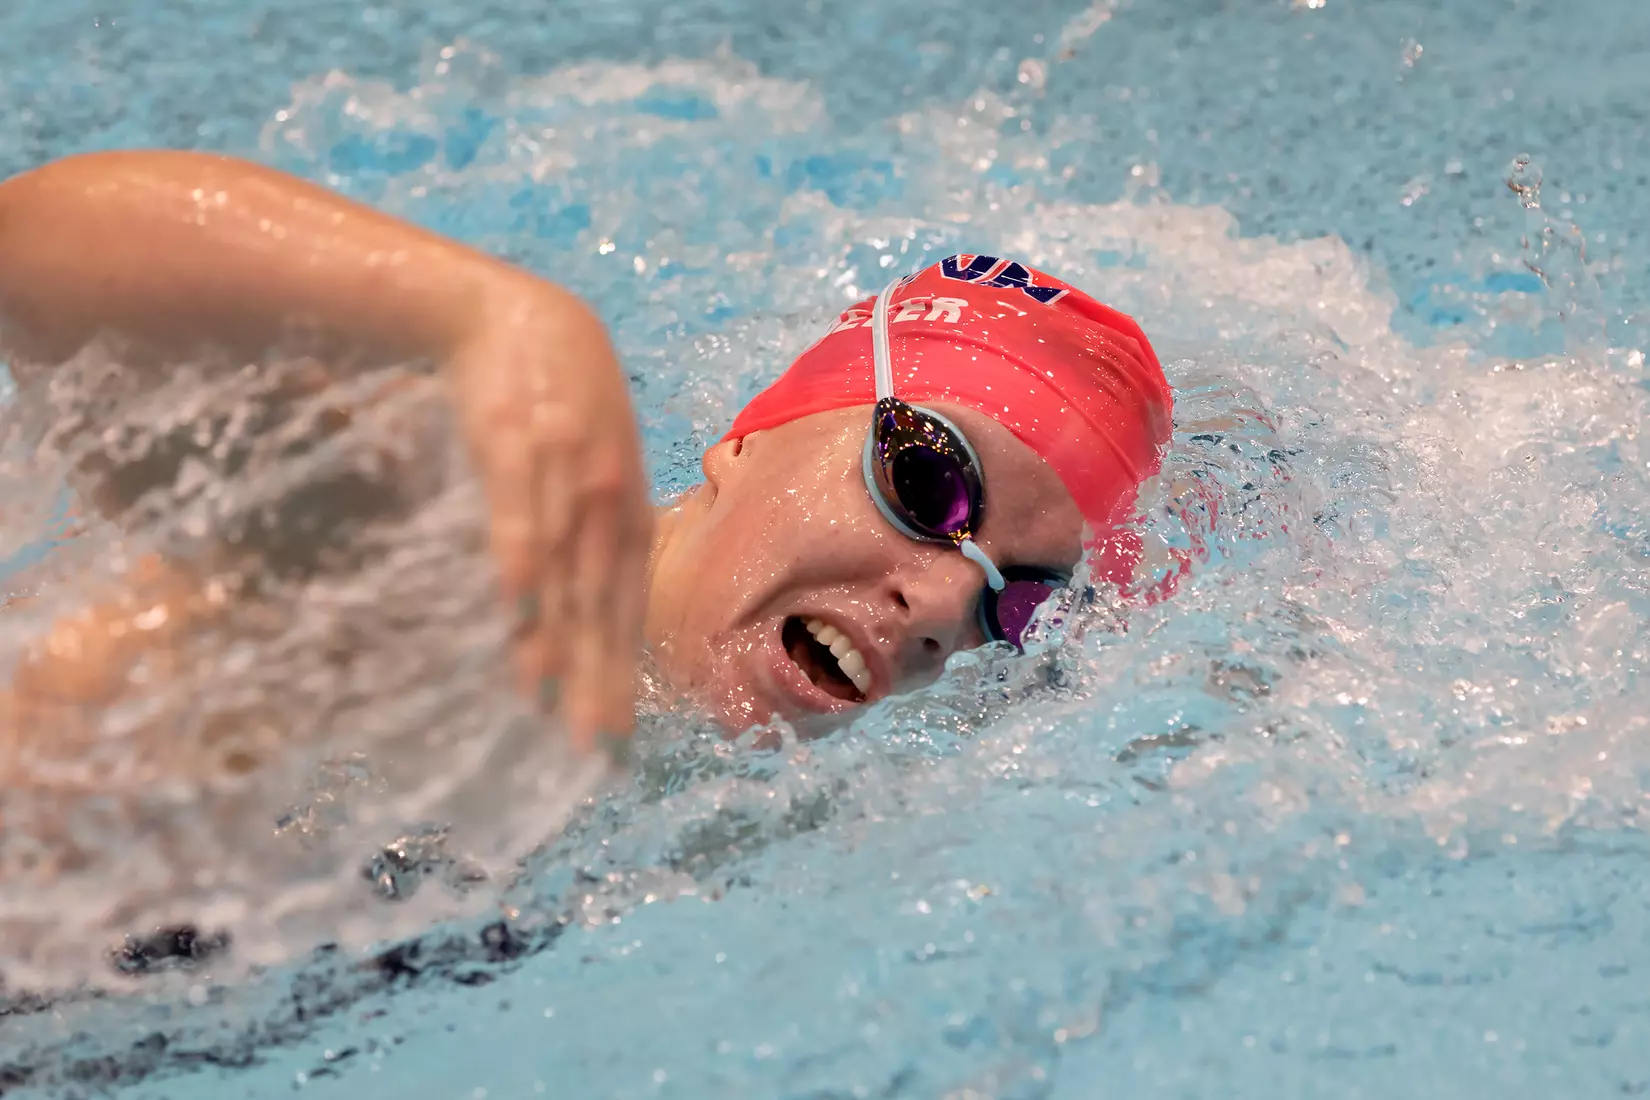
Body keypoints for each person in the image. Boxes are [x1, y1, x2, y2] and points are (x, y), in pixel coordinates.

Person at [0, 151, 1172, 767]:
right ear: (752, 428)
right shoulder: (465, 546)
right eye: (928, 481)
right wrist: (500, 322)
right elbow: (37, 247)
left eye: (1011, 599)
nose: (945, 606)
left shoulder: (738, 799)